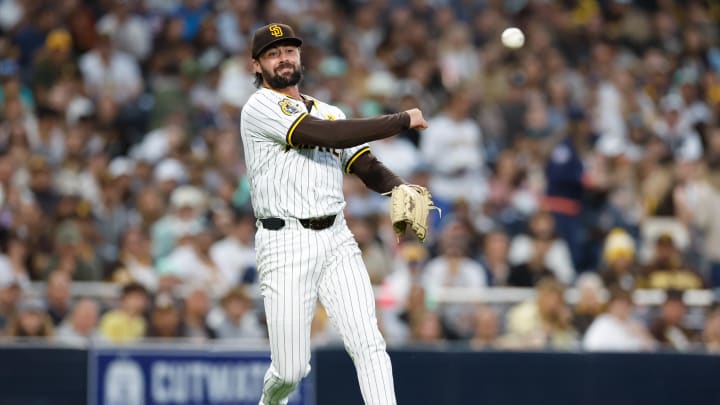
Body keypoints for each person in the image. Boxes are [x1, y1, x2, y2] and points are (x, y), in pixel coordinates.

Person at [240, 23, 428, 405]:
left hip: (337, 238)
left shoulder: (328, 110)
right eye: (273, 54)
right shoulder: (259, 107)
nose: (283, 58)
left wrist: (399, 187)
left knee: (369, 342)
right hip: (285, 241)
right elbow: (328, 136)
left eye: (289, 50)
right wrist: (401, 120)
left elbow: (364, 165)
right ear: (256, 66)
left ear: (299, 55)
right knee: (290, 370)